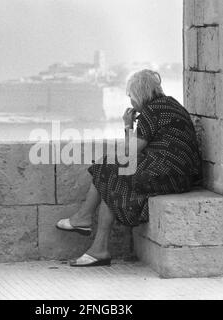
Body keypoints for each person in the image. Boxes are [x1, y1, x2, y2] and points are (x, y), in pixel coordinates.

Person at [56, 69, 203, 267]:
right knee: (113, 181)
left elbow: (129, 153)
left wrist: (127, 126)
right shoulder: (169, 105)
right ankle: (98, 249)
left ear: (140, 94)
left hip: (167, 173)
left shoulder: (152, 111)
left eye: (131, 97)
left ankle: (83, 219)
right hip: (178, 174)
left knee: (106, 165)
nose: (131, 102)